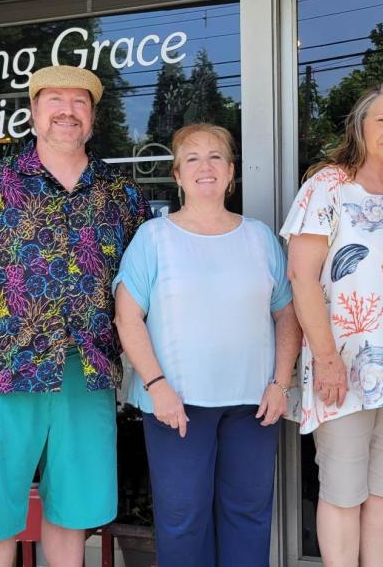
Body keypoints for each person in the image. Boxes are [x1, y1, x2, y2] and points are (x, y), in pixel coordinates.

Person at [0, 65, 149, 567]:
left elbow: (143, 289)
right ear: (33, 113)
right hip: (8, 370)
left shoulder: (122, 195)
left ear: (93, 119)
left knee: (72, 516)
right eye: (54, 99)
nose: (66, 111)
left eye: (79, 102)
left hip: (89, 370)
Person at [113, 123, 301, 567]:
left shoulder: (259, 237)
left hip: (254, 403)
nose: (205, 166)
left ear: (232, 172)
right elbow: (127, 317)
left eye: (216, 156)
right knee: (183, 520)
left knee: (249, 516)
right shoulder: (153, 238)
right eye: (192, 158)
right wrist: (157, 385)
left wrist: (281, 382)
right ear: (177, 175)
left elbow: (287, 314)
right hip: (176, 405)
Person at [282, 77, 383, 567]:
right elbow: (301, 277)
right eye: (382, 120)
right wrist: (325, 358)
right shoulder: (327, 186)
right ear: (360, 126)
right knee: (343, 493)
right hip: (340, 369)